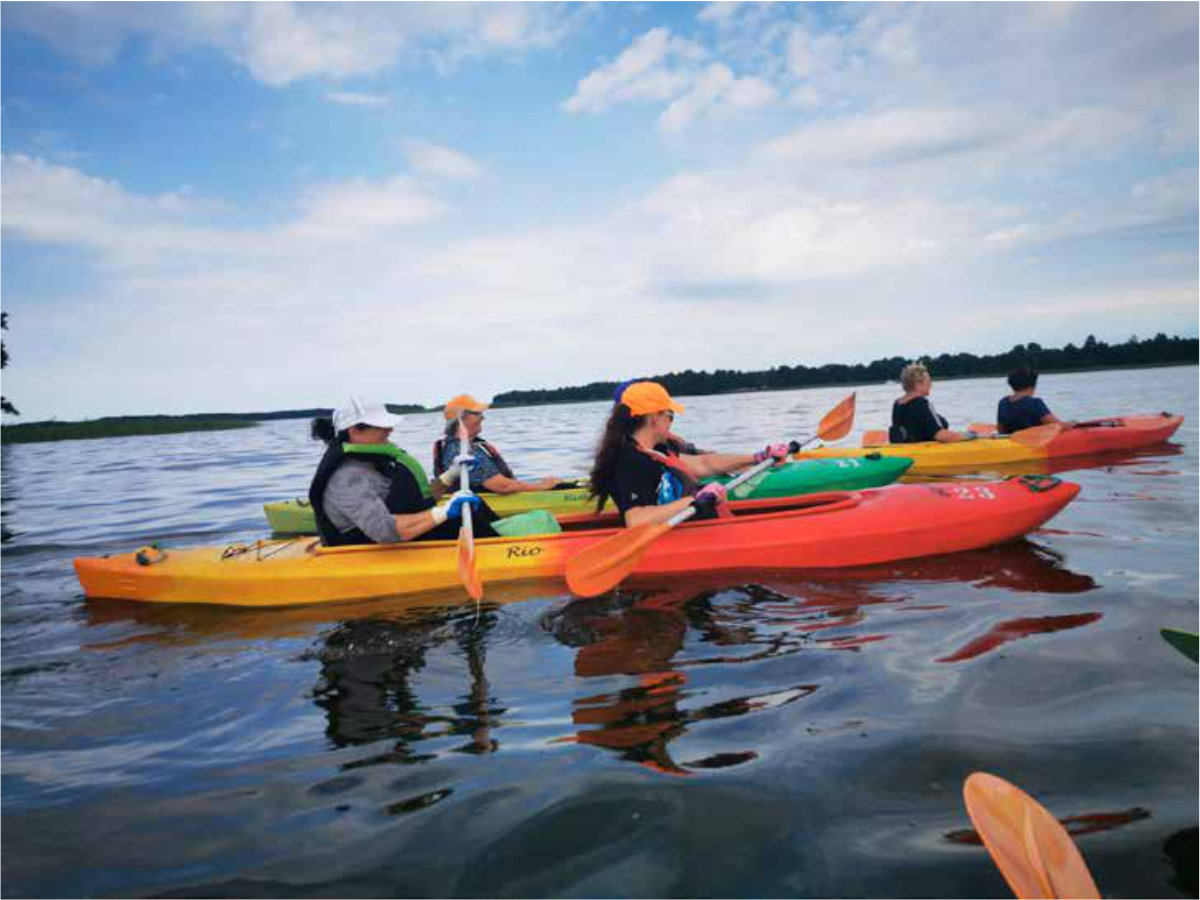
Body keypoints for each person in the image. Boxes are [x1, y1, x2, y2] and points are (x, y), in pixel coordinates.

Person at [588, 381, 790, 527]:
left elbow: (704, 463)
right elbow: (636, 519)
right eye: (670, 416)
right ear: (654, 418)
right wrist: (694, 499)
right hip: (673, 539)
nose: (671, 422)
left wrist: (757, 457)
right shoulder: (629, 459)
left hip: (697, 525)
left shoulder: (658, 450)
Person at [309, 396, 498, 547]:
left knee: (474, 504)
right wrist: (444, 512)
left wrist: (451, 474)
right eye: (381, 426)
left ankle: (503, 538)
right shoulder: (346, 477)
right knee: (462, 519)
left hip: (396, 534)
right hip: (369, 547)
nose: (390, 429)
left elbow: (417, 500)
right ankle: (505, 550)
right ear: (355, 431)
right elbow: (385, 531)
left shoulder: (374, 462)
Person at [433, 394, 567, 494]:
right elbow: (502, 486)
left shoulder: (463, 445)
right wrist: (541, 486)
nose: (483, 417)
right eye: (478, 413)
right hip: (484, 507)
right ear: (463, 419)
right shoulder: (461, 451)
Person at [889, 363, 977, 444]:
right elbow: (941, 436)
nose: (931, 385)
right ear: (918, 384)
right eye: (928, 381)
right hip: (924, 453)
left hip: (906, 451)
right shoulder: (921, 403)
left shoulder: (897, 404)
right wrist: (970, 435)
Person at [996, 368, 1071, 434]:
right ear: (1033, 385)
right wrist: (1072, 424)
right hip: (1032, 443)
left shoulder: (1003, 402)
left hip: (1010, 442)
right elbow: (1056, 425)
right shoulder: (1035, 403)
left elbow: (1000, 429)